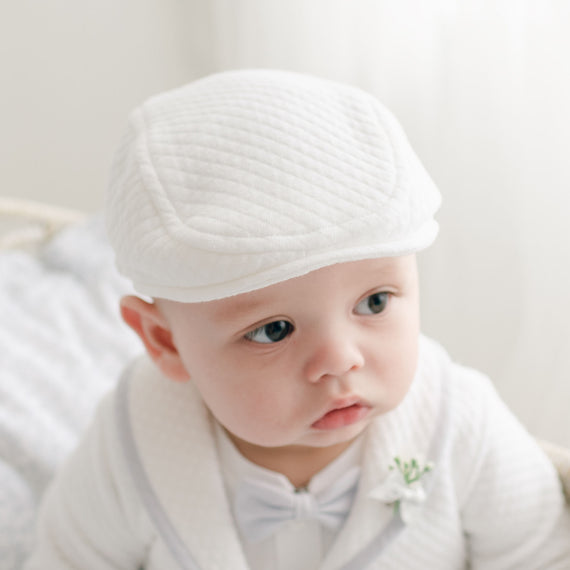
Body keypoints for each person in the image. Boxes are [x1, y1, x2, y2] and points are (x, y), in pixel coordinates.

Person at [24, 70, 570, 570]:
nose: (340, 359)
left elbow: (542, 552)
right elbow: (66, 559)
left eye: (375, 302)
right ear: (164, 341)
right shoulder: (135, 438)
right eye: (272, 330)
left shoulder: (460, 421)